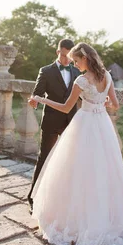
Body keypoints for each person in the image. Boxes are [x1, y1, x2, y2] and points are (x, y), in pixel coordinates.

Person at [29, 42, 123, 245]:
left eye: (76, 60)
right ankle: (101, 214)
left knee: (77, 170)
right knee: (102, 170)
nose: (74, 64)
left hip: (84, 125)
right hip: (102, 125)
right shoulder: (108, 76)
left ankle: (77, 219)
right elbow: (116, 105)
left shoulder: (81, 80)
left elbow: (65, 107)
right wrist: (102, 102)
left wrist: (41, 99)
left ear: (85, 59)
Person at [26, 39, 81, 212]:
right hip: (51, 121)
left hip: (71, 122)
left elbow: (79, 96)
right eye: (64, 56)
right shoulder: (46, 71)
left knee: (67, 161)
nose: (67, 60)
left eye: (69, 57)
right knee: (44, 158)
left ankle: (60, 199)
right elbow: (37, 93)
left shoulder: (76, 71)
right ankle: (33, 197)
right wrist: (34, 101)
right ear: (58, 52)